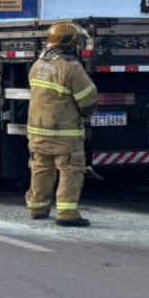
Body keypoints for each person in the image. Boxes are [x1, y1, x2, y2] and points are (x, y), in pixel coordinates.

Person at [25, 21, 98, 227]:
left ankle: (38, 207)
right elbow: (88, 100)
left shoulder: (38, 65)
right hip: (63, 132)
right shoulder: (71, 68)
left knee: (41, 167)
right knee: (70, 169)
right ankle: (67, 213)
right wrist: (85, 114)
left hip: (37, 130)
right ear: (70, 42)